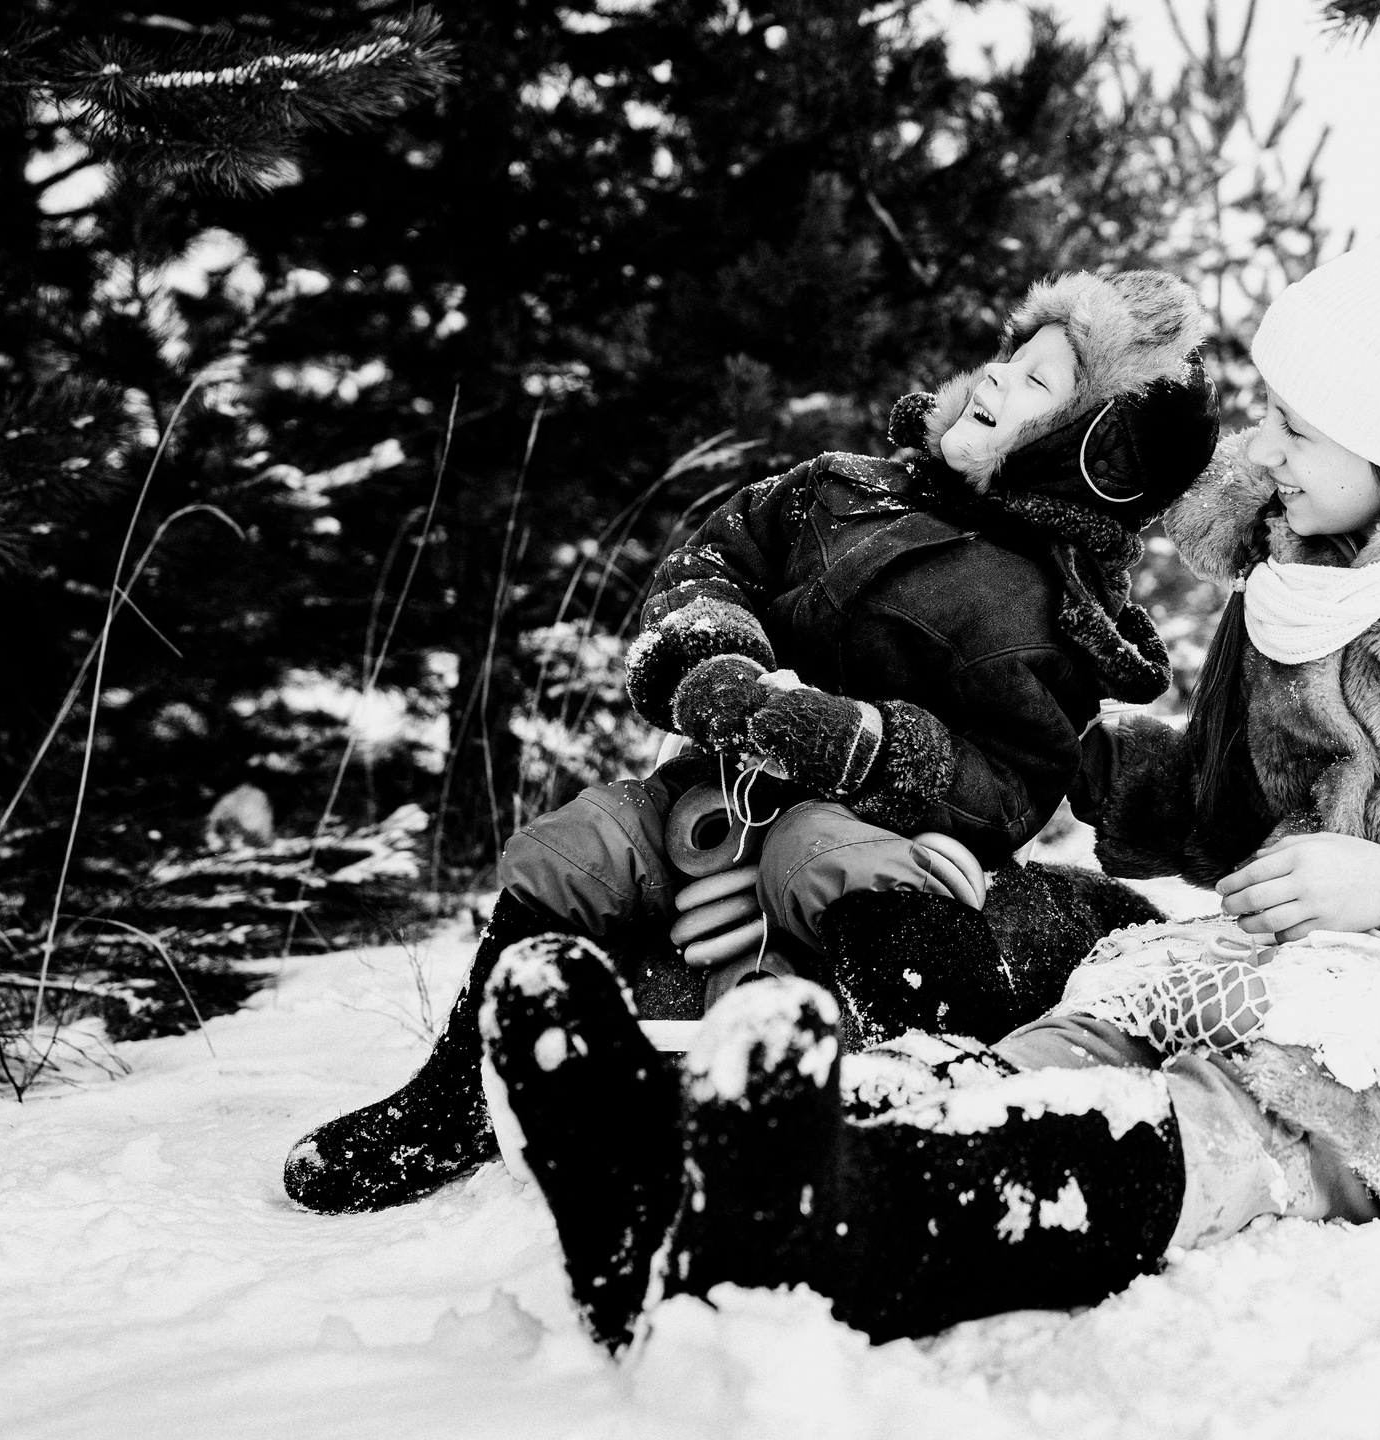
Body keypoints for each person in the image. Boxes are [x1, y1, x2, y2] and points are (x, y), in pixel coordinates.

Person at [478, 211, 1380, 1350]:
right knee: (1099, 1016)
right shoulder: (1306, 591)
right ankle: (740, 1160)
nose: (1262, 450)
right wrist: (1070, 761)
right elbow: (1226, 818)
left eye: (1298, 425)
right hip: (1326, 960)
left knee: (1260, 1091)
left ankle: (909, 1223)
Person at [280, 270, 1219, 1216]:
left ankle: (918, 1079)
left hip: (872, 839)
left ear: (1083, 454)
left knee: (823, 853)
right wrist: (719, 659)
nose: (996, 379)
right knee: (581, 845)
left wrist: (865, 745)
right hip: (716, 791)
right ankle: (460, 1094)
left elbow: (1014, 781)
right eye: (1012, 355)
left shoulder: (1045, 618)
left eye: (1039, 384)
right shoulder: (839, 488)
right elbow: (711, 560)